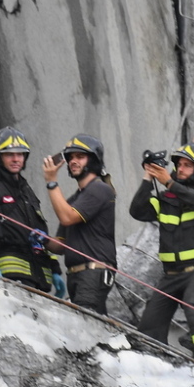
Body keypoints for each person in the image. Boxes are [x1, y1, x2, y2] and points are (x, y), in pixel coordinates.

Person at [129, 143, 194, 374]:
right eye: (179, 165)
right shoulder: (167, 199)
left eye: (187, 165)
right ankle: (154, 369)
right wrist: (148, 177)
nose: (180, 169)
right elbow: (137, 210)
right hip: (170, 276)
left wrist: (168, 181)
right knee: (149, 327)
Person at [0, 127, 65, 296]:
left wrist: (55, 269)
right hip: (10, 276)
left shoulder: (27, 190)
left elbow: (41, 232)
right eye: (9, 154)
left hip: (41, 279)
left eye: (20, 154)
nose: (16, 159)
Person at [43, 134, 117, 315]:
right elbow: (62, 245)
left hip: (93, 273)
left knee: (84, 319)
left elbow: (67, 218)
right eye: (70, 157)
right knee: (93, 325)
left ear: (93, 160)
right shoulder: (73, 200)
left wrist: (52, 182)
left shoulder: (100, 189)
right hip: (76, 275)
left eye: (80, 157)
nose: (73, 161)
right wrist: (42, 239)